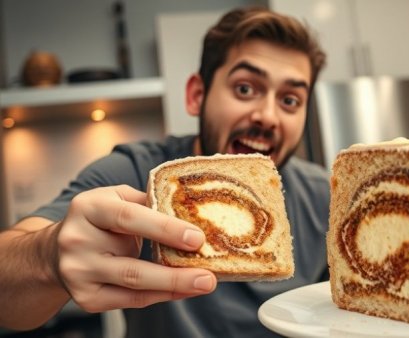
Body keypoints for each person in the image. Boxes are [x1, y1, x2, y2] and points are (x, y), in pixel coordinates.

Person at [0, 6, 328, 337]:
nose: (268, 116)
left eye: (290, 100)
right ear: (197, 96)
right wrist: (47, 257)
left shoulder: (321, 196)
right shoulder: (135, 172)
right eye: (245, 88)